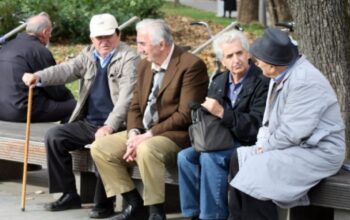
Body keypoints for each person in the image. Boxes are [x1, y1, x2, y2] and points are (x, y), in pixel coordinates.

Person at [22, 13, 139, 219]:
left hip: (118, 125)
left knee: (101, 147)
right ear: (91, 38)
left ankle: (104, 204)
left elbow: (126, 100)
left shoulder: (130, 58)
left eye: (108, 36)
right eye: (98, 37)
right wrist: (39, 76)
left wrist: (109, 127)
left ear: (118, 34)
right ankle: (69, 194)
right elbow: (66, 70)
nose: (103, 41)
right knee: (55, 136)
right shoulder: (88, 54)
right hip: (89, 122)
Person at [90, 18, 209, 220]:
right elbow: (135, 105)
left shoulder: (191, 65)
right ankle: (135, 204)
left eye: (142, 44)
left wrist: (148, 135)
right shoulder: (145, 65)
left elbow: (185, 115)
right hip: (145, 132)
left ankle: (156, 212)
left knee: (147, 149)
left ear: (161, 44)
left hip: (175, 135)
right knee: (100, 147)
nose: (139, 49)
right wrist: (134, 133)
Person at [228, 28, 346, 220]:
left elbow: (293, 132)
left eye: (258, 59)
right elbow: (267, 121)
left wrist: (266, 148)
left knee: (257, 170)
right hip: (293, 146)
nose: (254, 62)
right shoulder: (280, 75)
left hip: (319, 150)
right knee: (239, 158)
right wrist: (261, 145)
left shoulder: (304, 81)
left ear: (273, 65)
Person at [177, 30, 269, 220]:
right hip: (219, 140)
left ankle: (212, 216)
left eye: (240, 53)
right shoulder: (219, 81)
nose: (236, 59)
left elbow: (255, 126)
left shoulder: (262, 81)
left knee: (210, 158)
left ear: (248, 53)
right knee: (185, 157)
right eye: (229, 56)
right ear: (223, 61)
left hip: (246, 143)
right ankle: (193, 214)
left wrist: (222, 112)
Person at [0, 12, 75, 123]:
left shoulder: (6, 47)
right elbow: (55, 88)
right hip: (23, 110)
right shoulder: (39, 51)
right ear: (45, 32)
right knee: (74, 106)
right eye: (50, 33)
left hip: (1, 109)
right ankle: (61, 138)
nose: (50, 36)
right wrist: (70, 99)